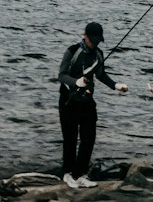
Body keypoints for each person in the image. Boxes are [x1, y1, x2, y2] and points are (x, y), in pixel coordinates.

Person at [58, 21, 128, 188]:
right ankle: (67, 174)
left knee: (88, 139)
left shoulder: (98, 54)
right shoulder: (72, 51)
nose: (95, 43)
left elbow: (101, 75)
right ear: (85, 36)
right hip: (69, 101)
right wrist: (76, 82)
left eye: (98, 41)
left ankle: (81, 174)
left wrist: (116, 85)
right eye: (93, 40)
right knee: (70, 139)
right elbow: (61, 75)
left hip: (87, 102)